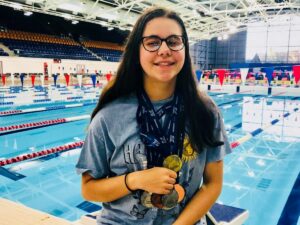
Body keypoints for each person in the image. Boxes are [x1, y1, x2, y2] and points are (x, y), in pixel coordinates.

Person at [76, 7, 231, 225]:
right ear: (137, 51)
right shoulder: (110, 116)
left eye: (174, 41)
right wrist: (136, 180)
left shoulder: (205, 111)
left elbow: (212, 184)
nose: (164, 50)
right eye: (152, 42)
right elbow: (89, 189)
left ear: (184, 48)